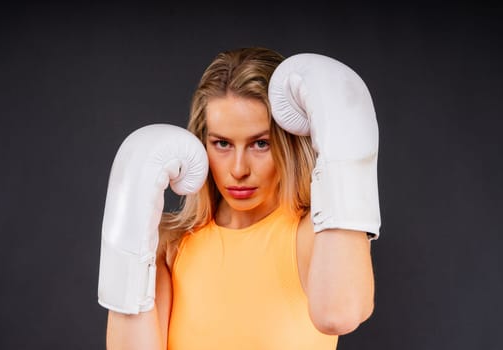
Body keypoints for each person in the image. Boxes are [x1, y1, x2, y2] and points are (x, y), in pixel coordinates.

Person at [98, 47, 381, 350]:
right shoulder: (169, 246)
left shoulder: (314, 235)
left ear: (288, 144)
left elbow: (339, 314)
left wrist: (349, 157)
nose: (238, 169)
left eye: (260, 144)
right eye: (222, 143)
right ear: (199, 144)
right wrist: (125, 246)